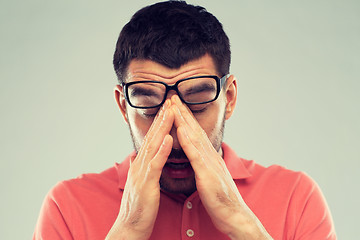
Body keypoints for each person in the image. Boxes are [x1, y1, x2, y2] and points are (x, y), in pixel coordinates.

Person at [33, 1, 336, 239]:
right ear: (124, 106)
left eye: (197, 101)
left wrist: (240, 221)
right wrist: (129, 228)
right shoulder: (66, 207)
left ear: (228, 98)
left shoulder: (297, 197)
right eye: (150, 105)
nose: (177, 133)